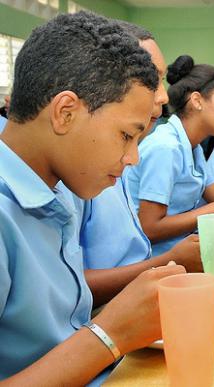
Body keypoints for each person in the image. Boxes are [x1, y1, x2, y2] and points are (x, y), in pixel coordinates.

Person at [0, 11, 185, 385]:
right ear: (65, 113)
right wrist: (110, 333)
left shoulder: (57, 190)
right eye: (126, 135)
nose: (133, 158)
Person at [62, 21, 202, 308]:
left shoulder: (122, 154)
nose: (163, 96)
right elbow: (66, 290)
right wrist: (165, 263)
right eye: (152, 79)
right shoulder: (79, 167)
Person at [124, 55, 214, 256]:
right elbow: (149, 227)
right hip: (155, 261)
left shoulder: (193, 148)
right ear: (197, 101)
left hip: (185, 250)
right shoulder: (166, 147)